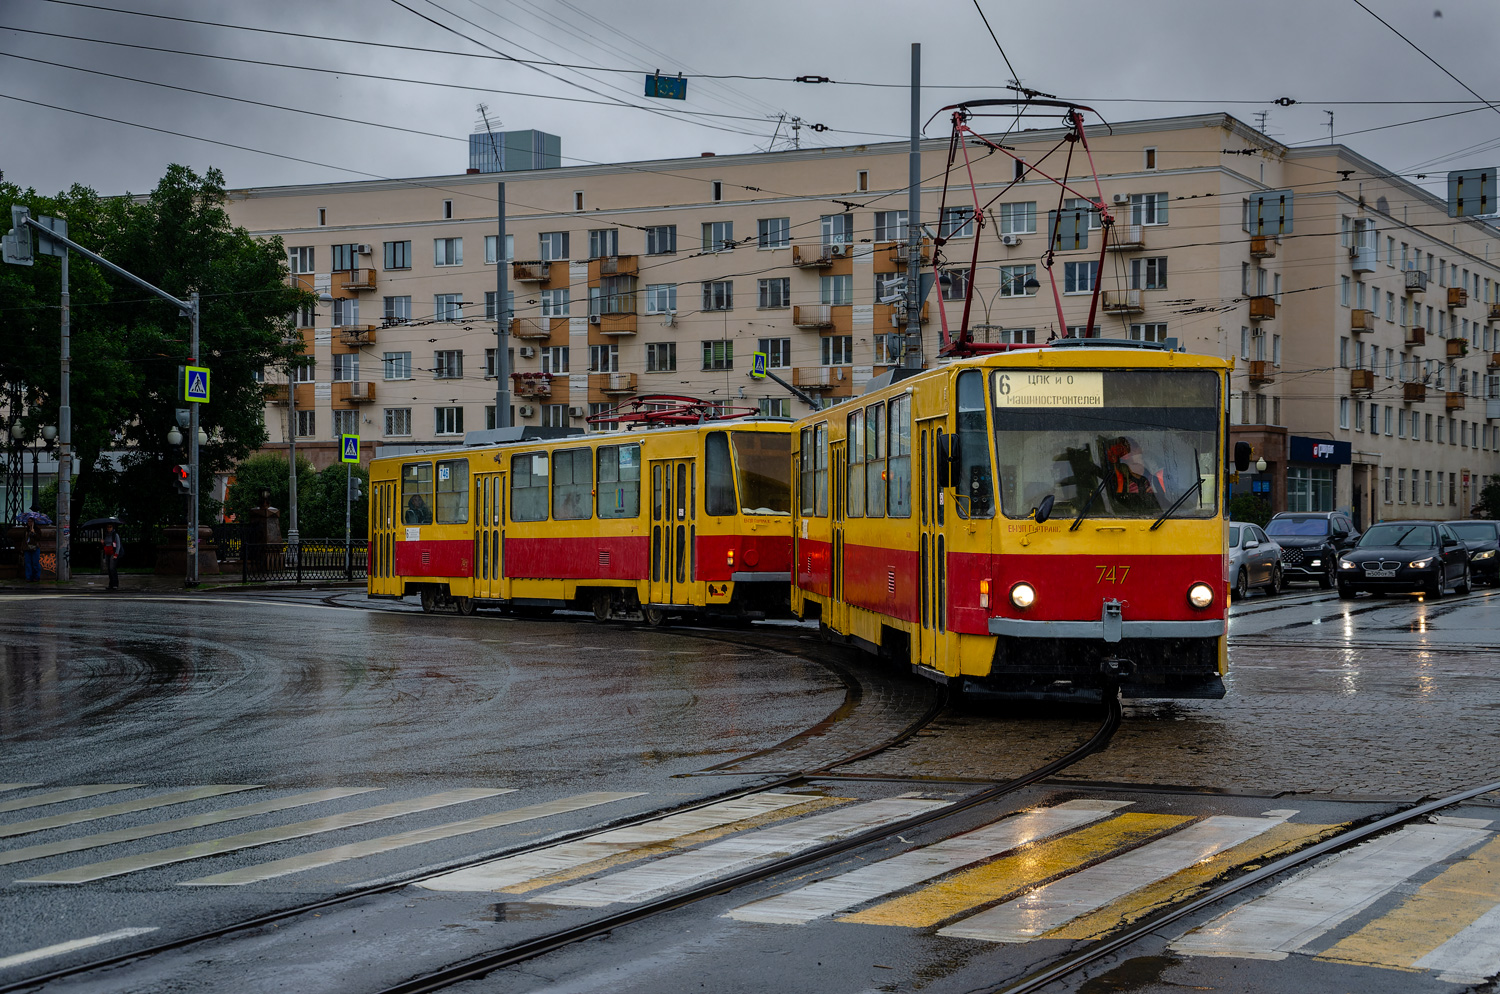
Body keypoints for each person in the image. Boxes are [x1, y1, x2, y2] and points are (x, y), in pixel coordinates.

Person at [1105, 437, 1164, 511]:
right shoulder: (1117, 483)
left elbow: (1168, 505)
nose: (1141, 464)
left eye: (1141, 459)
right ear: (1125, 465)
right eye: (1134, 464)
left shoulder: (1157, 478)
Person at [20, 511, 41, 583]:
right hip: (27, 548)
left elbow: (38, 538)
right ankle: (28, 577)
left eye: (31, 521)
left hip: (35, 547)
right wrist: (22, 548)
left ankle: (36, 577)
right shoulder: (26, 530)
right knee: (28, 563)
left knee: (35, 563)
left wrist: (33, 533)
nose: (29, 523)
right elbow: (24, 539)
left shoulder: (37, 530)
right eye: (28, 521)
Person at [101, 522, 123, 590]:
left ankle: (115, 584)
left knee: (112, 568)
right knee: (109, 569)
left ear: (112, 528)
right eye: (108, 527)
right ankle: (111, 584)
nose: (109, 528)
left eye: (110, 527)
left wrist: (116, 554)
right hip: (107, 553)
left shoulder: (115, 535)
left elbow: (118, 545)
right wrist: (103, 542)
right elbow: (105, 544)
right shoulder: (106, 535)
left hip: (113, 553)